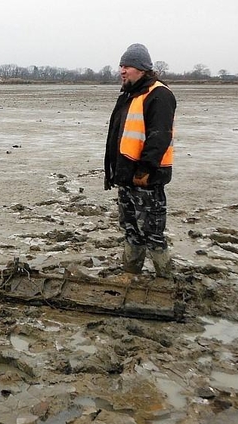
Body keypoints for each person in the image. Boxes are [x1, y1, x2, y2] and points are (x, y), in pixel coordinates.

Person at [104, 43, 176, 278]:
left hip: (146, 178)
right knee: (131, 231)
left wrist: (144, 170)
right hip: (126, 176)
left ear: (143, 69)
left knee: (153, 234)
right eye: (121, 65)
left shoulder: (159, 94)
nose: (122, 71)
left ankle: (166, 281)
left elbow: (159, 136)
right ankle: (130, 275)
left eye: (128, 66)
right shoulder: (129, 94)